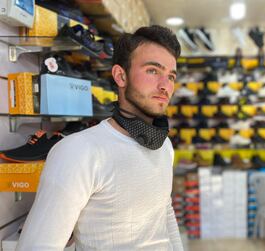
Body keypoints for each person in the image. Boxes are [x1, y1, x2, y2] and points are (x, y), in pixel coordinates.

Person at [17, 25, 184, 251]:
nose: (165, 86)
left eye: (171, 76)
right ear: (120, 76)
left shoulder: (164, 146)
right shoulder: (78, 151)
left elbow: (165, 212)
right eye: (153, 71)